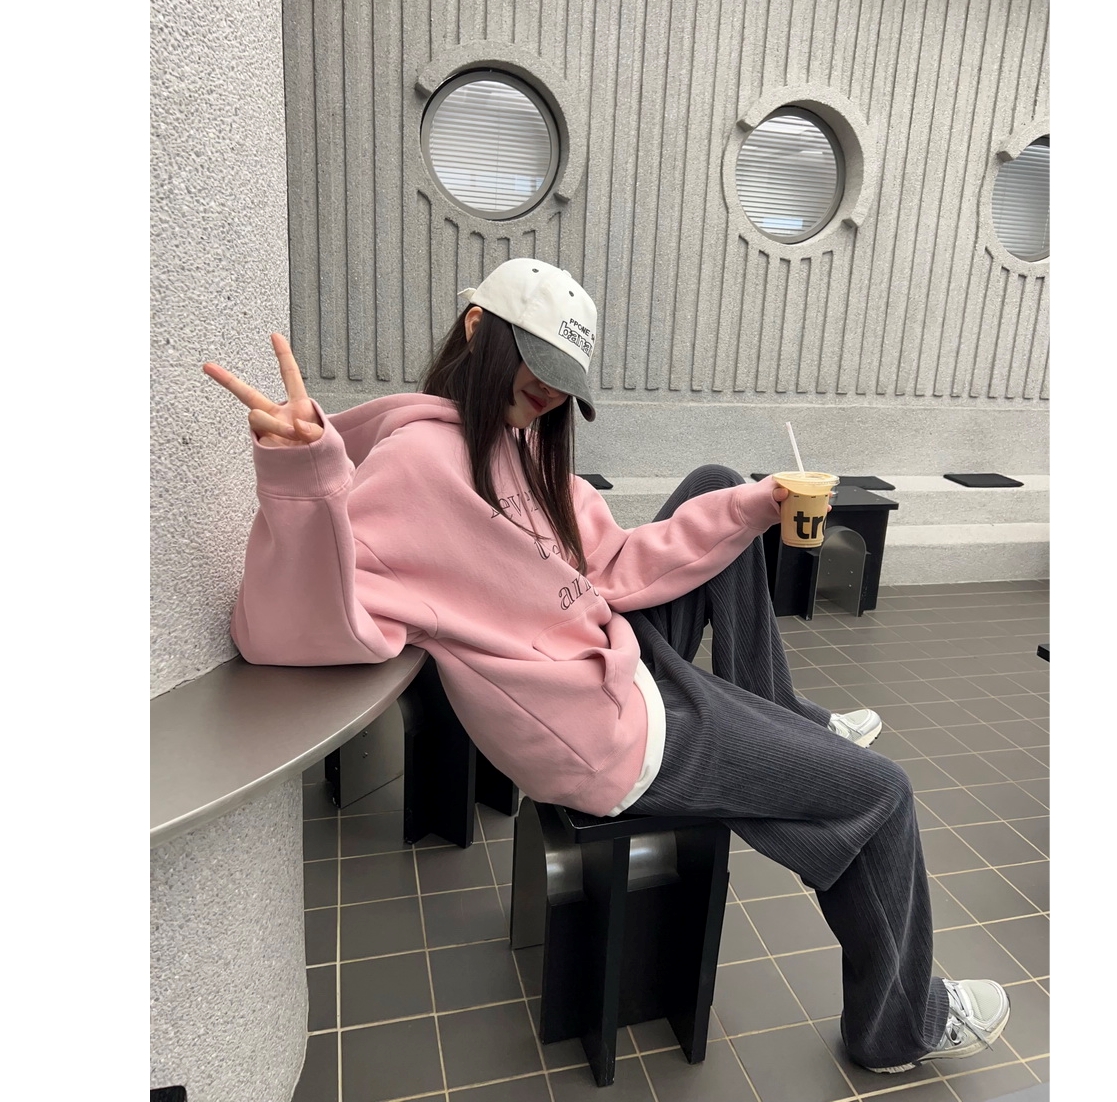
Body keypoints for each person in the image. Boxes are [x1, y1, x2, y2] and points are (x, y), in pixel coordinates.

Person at [203, 257, 1010, 1073]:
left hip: (617, 669)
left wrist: (756, 504)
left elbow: (616, 564)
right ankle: (897, 1028)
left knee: (719, 488)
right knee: (882, 793)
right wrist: (302, 481)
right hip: (601, 738)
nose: (550, 393)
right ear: (478, 328)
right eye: (538, 365)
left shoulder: (523, 447)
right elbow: (284, 631)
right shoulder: (413, 470)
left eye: (565, 380)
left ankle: (781, 717)